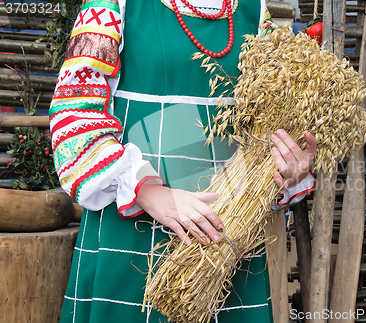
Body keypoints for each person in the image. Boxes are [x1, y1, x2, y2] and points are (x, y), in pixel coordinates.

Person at [50, 0, 317, 322]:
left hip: (225, 224)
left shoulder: (255, 12)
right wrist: (146, 192)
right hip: (133, 217)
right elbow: (74, 112)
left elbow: (265, 123)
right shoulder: (112, 5)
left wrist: (287, 171)